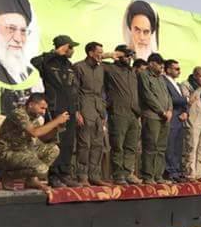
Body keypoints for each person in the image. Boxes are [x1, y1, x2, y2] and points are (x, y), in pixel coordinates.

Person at [31, 34, 80, 188]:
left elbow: (74, 88)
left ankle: (65, 174)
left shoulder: (69, 65)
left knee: (68, 143)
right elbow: (34, 61)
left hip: (71, 109)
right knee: (56, 142)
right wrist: (54, 52)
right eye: (70, 47)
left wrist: (77, 110)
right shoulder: (47, 62)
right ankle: (54, 176)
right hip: (55, 108)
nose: (72, 50)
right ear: (64, 47)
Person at [0, 93, 69, 190]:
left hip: (24, 151)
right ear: (31, 104)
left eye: (45, 109)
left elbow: (41, 138)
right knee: (42, 169)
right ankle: (8, 175)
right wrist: (56, 121)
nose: (43, 112)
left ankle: (31, 180)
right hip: (6, 153)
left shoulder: (33, 117)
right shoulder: (19, 114)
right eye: (42, 108)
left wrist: (56, 128)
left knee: (53, 149)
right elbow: (34, 132)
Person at [102, 44, 141, 185]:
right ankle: (118, 175)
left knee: (131, 147)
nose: (129, 58)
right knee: (118, 145)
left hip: (133, 114)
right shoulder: (110, 69)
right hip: (118, 112)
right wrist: (110, 54)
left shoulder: (132, 72)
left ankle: (127, 172)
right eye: (126, 55)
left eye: (131, 55)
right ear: (119, 55)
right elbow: (94, 60)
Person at [72, 41, 109, 186]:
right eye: (99, 52)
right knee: (84, 144)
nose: (101, 55)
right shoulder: (78, 67)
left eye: (102, 52)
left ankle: (94, 176)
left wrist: (104, 113)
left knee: (98, 144)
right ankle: (82, 176)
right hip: (84, 107)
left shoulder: (101, 69)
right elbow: (74, 91)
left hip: (98, 109)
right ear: (90, 53)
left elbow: (102, 92)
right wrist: (76, 112)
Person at [138, 53, 173, 184]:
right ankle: (148, 176)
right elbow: (147, 95)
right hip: (152, 116)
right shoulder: (144, 75)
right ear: (151, 63)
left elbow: (168, 96)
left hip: (165, 117)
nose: (162, 67)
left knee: (161, 147)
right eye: (159, 64)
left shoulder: (161, 78)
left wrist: (169, 110)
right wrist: (161, 111)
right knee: (150, 146)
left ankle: (158, 175)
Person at [181, 66, 201, 181]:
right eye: (200, 76)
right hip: (193, 121)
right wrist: (199, 89)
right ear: (194, 75)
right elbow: (188, 101)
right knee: (191, 148)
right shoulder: (186, 85)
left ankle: (200, 174)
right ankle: (190, 174)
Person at [162, 59, 188, 182]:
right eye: (176, 69)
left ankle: (177, 170)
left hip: (179, 118)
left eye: (179, 68)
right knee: (170, 145)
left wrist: (185, 111)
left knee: (178, 146)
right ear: (168, 70)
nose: (179, 71)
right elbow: (171, 99)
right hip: (171, 117)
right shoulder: (164, 81)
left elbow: (181, 100)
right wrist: (187, 100)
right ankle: (170, 171)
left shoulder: (177, 84)